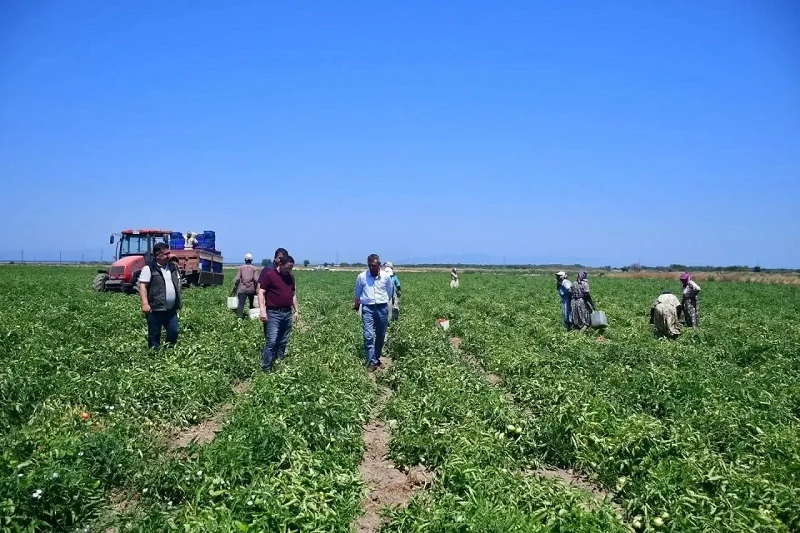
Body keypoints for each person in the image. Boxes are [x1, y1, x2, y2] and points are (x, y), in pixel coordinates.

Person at [258, 255, 300, 372]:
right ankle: (266, 368)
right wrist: (262, 310)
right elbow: (261, 292)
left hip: (287, 312)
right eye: (287, 268)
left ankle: (279, 362)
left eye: (291, 268)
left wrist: (296, 310)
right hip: (273, 313)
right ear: (280, 264)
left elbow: (293, 295)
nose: (289, 270)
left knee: (283, 340)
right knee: (272, 341)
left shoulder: (291, 277)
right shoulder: (270, 275)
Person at [354, 254, 395, 370]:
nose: (372, 268)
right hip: (368, 308)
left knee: (380, 335)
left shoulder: (386, 277)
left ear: (379, 265)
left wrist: (384, 302)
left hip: (382, 308)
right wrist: (357, 304)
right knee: (368, 335)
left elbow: (389, 292)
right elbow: (358, 293)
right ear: (368, 265)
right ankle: (371, 362)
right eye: (370, 265)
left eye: (374, 265)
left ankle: (376, 358)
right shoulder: (362, 277)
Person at [138, 242, 182, 349]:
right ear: (158, 255)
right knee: (154, 334)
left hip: (171, 309)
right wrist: (145, 304)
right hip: (155, 308)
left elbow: (178, 284)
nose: (169, 256)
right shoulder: (149, 268)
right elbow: (143, 286)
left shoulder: (173, 267)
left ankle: (169, 352)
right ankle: (154, 355)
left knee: (174, 332)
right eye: (166, 254)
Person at [232, 253, 259, 318]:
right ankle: (252, 317)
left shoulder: (241, 268)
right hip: (251, 289)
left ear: (245, 260)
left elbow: (237, 278)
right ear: (251, 260)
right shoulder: (254, 268)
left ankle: (240, 317)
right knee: (252, 304)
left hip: (242, 289)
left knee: (241, 304)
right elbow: (256, 279)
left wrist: (234, 288)